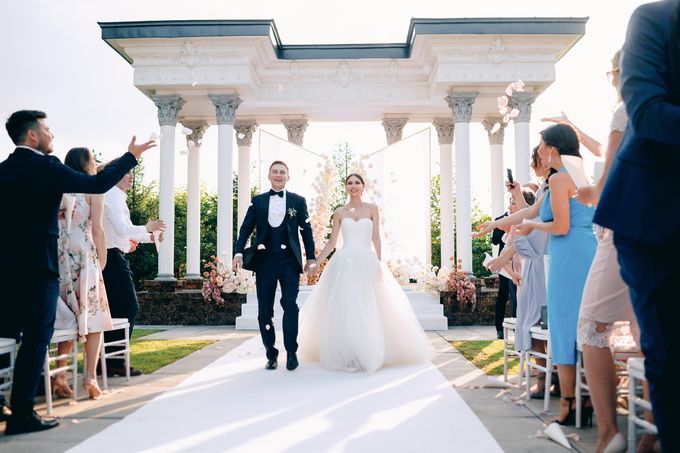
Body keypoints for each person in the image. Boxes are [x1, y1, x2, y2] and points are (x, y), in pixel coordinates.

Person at [0, 110, 154, 435]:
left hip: (5, 270)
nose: (51, 134)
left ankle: (3, 401)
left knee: (9, 334)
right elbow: (97, 183)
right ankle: (21, 414)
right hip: (40, 268)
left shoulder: (4, 170)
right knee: (37, 337)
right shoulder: (47, 167)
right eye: (46, 129)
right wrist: (130, 157)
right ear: (32, 135)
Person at [594, 2, 680, 451]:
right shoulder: (655, 19)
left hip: (618, 223)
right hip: (654, 220)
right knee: (666, 353)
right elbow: (647, 115)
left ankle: (629, 434)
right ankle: (620, 431)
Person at [297, 174, 432, 373]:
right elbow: (332, 242)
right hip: (344, 263)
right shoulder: (339, 212)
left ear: (363, 186)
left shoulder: (372, 209)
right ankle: (346, 353)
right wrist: (316, 262)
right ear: (346, 187)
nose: (353, 186)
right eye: (350, 183)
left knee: (368, 306)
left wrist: (379, 262)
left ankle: (368, 352)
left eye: (357, 183)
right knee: (346, 307)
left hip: (367, 262)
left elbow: (376, 238)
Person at [515, 124, 597, 427]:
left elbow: (560, 226)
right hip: (583, 251)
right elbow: (531, 210)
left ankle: (569, 403)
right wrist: (495, 225)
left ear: (552, 148)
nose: (539, 151)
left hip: (568, 255)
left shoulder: (559, 178)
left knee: (563, 327)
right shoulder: (576, 175)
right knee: (582, 327)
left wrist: (533, 227)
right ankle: (585, 398)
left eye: (541, 145)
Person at [233, 161, 316, 371]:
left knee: (290, 305)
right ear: (269, 176)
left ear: (288, 176)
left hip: (289, 262)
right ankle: (271, 353)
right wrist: (238, 252)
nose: (278, 175)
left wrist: (311, 257)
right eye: (275, 172)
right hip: (265, 262)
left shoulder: (298, 201)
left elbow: (306, 231)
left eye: (282, 172)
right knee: (264, 310)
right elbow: (245, 229)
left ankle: (291, 351)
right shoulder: (258, 201)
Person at [101, 169, 164, 377]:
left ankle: (109, 362)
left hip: (112, 255)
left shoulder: (116, 196)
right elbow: (122, 230)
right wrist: (147, 227)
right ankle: (113, 361)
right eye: (126, 173)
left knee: (116, 311)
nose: (131, 176)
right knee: (128, 307)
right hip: (112, 259)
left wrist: (150, 237)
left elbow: (124, 232)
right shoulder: (112, 195)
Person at [491, 212, 512, 340]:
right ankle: (499, 328)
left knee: (516, 297)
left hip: (518, 262)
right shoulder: (499, 219)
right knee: (502, 296)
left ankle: (517, 326)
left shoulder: (521, 217)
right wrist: (504, 227)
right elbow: (494, 241)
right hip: (504, 264)